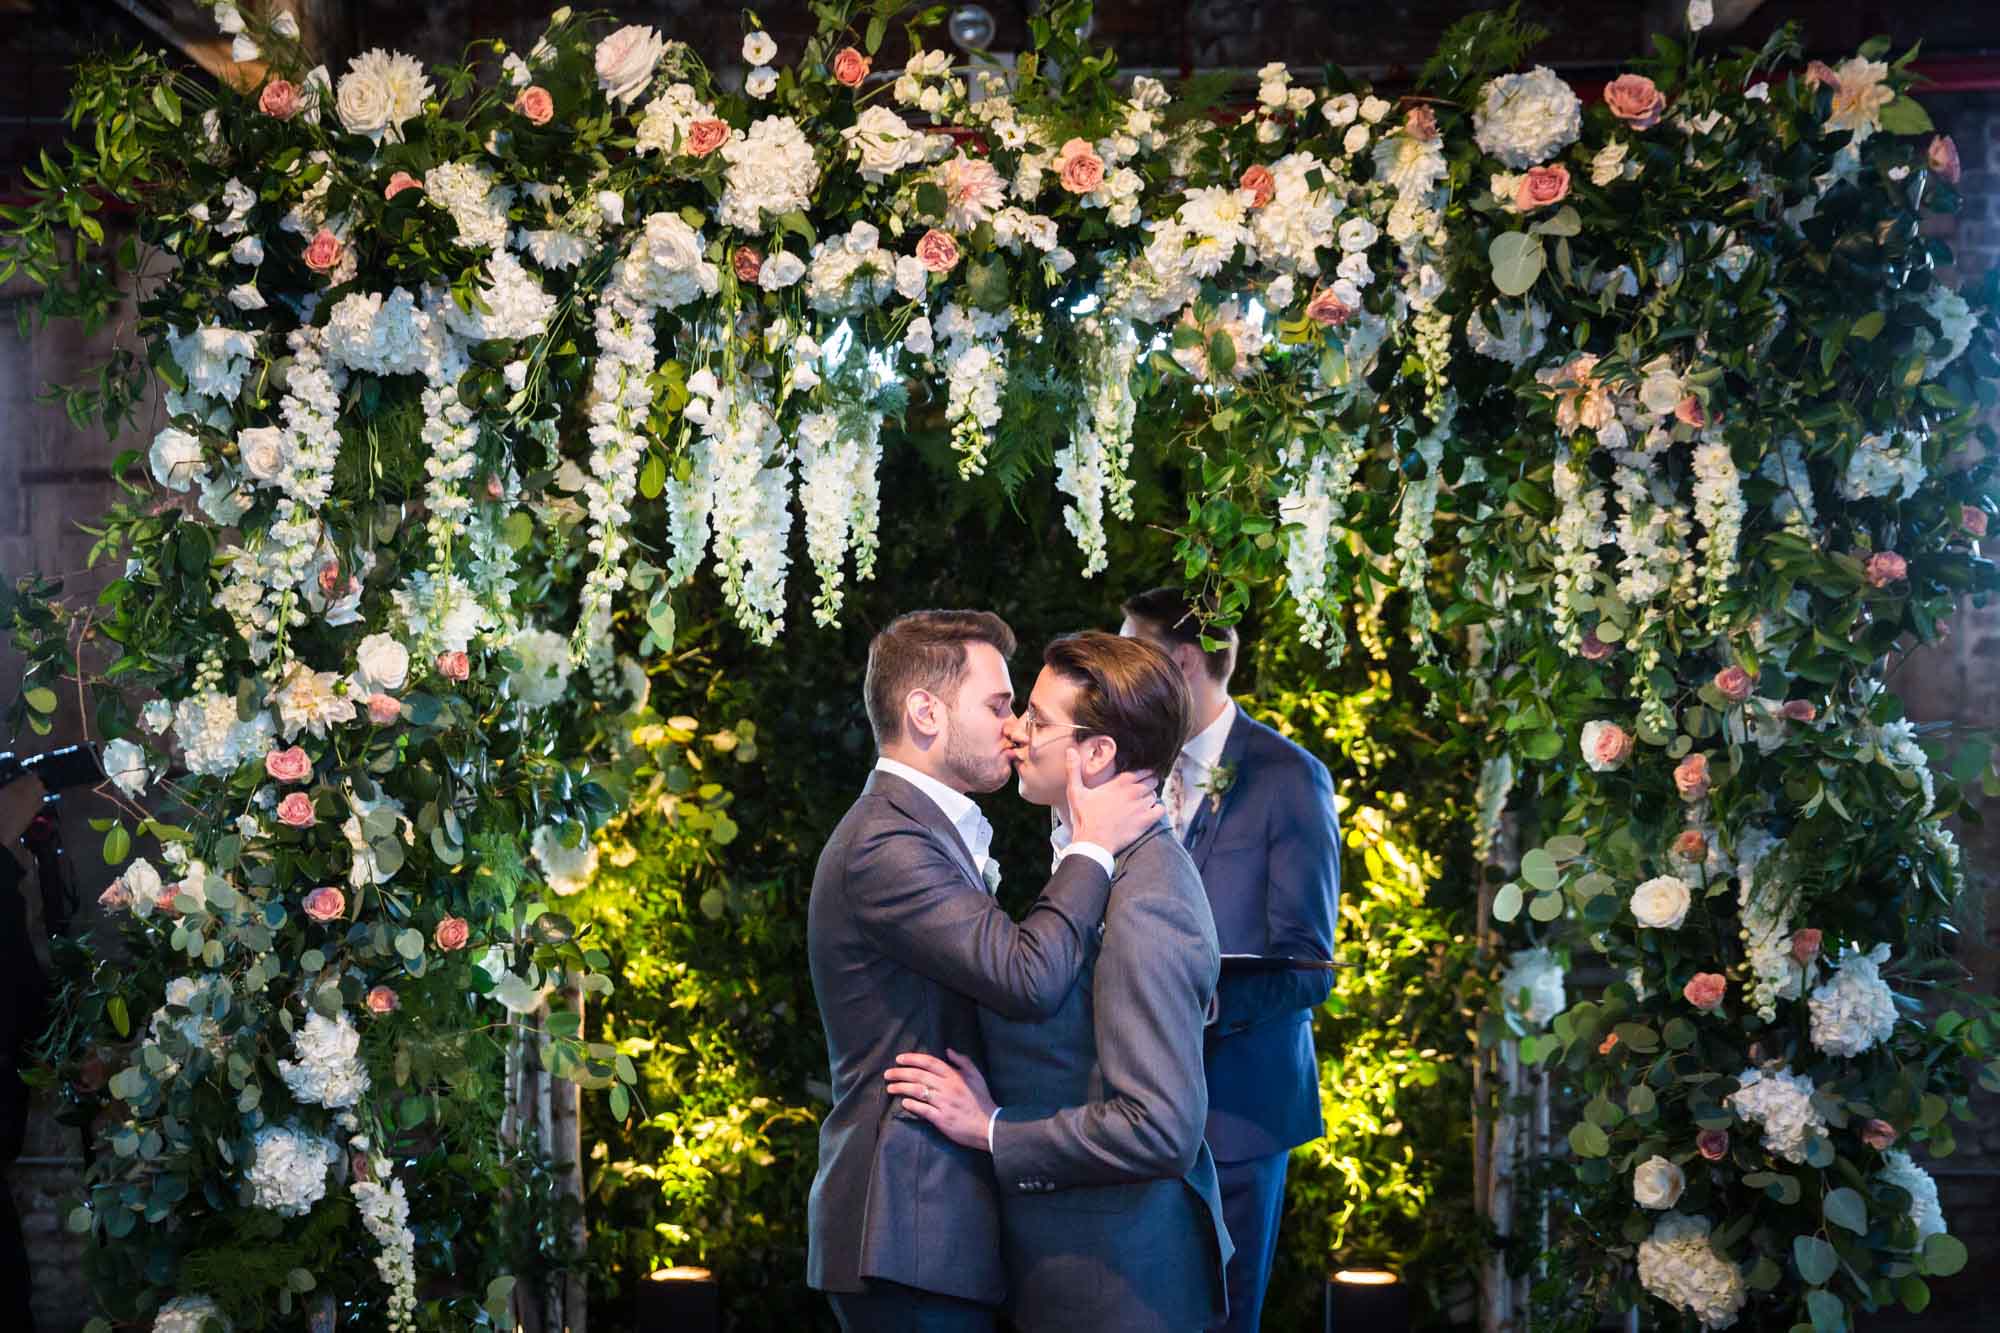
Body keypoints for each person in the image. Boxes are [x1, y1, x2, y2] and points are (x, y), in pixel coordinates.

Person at [806, 610, 1166, 1332]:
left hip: (931, 1225)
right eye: (998, 705)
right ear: (926, 711)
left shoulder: (920, 830)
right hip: (907, 1221)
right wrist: (1093, 846)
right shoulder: (887, 843)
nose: (1011, 728)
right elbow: (1026, 976)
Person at [888, 631, 1230, 1333]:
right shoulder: (1101, 865)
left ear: (1096, 752)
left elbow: (1159, 1126)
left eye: (1037, 720)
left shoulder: (1149, 893)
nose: (1014, 730)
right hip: (1078, 1273)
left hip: (1118, 1287)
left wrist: (992, 1129)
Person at [1120, 587, 1341, 1333]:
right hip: (1136, 1106)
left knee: (1221, 1318)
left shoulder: (1290, 777)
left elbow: (1310, 964)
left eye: (1133, 654)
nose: (1122, 679)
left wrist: (1200, 1000)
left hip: (1238, 1114)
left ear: (1182, 662)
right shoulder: (1132, 772)